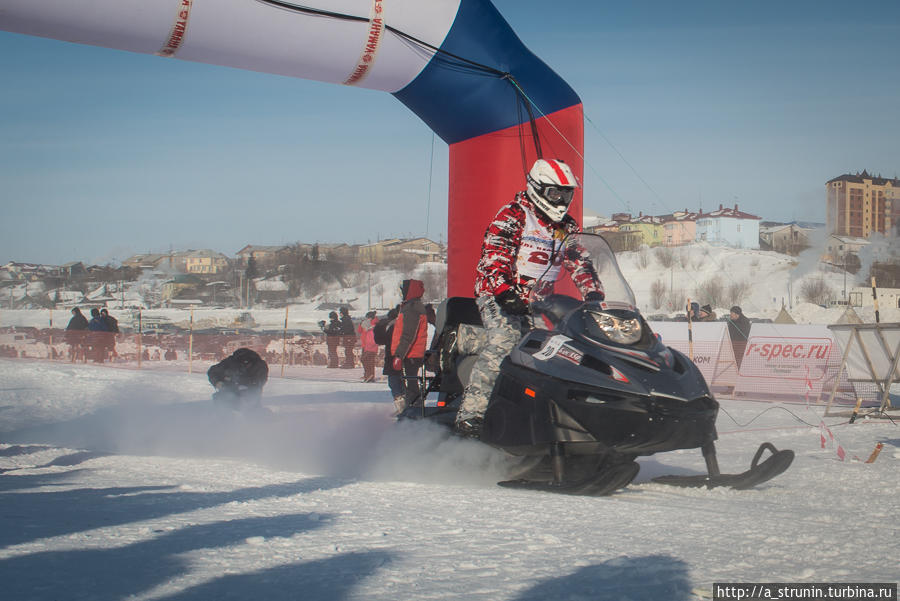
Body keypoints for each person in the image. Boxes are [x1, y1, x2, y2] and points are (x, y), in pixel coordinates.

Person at [455, 158, 604, 437]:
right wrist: (504, 291)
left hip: (541, 302)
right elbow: (495, 256)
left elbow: (580, 263)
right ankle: (472, 414)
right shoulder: (514, 214)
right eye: (554, 193)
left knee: (560, 348)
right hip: (499, 295)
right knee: (505, 340)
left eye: (566, 193)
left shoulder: (566, 228)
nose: (561, 200)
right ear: (537, 188)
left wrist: (594, 293)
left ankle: (559, 414)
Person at [391, 279, 429, 413]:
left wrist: (399, 355)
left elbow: (408, 334)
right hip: (412, 352)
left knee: (411, 381)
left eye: (404, 290)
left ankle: (414, 408)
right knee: (409, 380)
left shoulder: (412, 308)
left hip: (410, 352)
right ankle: (413, 406)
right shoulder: (412, 306)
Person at [373, 305, 405, 412]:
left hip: (394, 356)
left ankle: (402, 406)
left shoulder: (394, 326)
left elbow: (381, 340)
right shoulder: (407, 323)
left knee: (394, 381)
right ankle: (404, 404)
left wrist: (379, 326)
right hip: (404, 356)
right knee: (402, 380)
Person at [358, 310, 379, 382]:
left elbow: (371, 336)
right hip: (366, 344)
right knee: (368, 360)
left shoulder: (373, 325)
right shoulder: (367, 324)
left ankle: (369, 374)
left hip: (369, 345)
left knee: (366, 360)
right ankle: (368, 375)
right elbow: (359, 330)